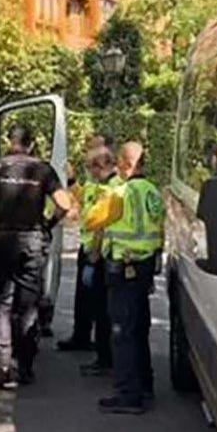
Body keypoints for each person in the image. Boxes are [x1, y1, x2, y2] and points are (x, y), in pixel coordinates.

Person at [0, 125, 73, 388]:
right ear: (30, 145)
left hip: (1, 241)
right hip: (31, 241)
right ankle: (26, 367)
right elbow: (64, 204)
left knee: (2, 305)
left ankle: (3, 366)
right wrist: (49, 224)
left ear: (10, 141)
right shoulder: (42, 170)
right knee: (28, 306)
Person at [84, 141, 165, 414]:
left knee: (122, 332)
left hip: (123, 267)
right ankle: (144, 384)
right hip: (144, 267)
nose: (116, 166)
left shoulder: (120, 192)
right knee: (139, 327)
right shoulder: (153, 192)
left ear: (127, 164)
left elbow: (91, 220)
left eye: (119, 161)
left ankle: (128, 394)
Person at [58, 145, 118, 357]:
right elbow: (83, 199)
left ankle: (104, 355)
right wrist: (72, 182)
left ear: (100, 166)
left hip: (100, 253)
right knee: (87, 299)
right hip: (90, 249)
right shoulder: (98, 184)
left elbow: (103, 224)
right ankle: (83, 339)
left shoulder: (112, 187)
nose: (88, 171)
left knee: (101, 307)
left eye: (89, 167)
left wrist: (93, 256)